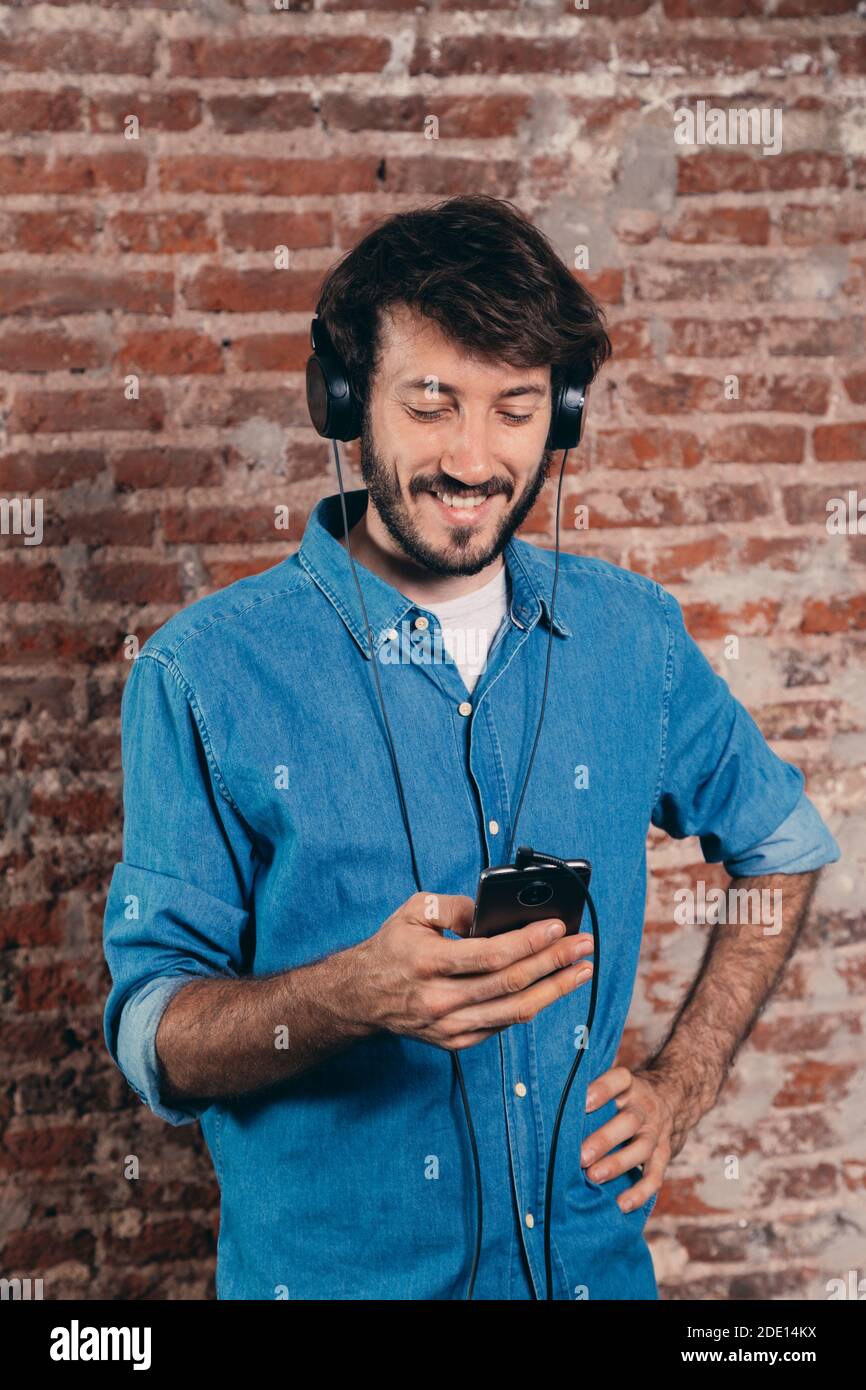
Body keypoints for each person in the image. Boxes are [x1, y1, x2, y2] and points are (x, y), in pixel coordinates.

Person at [102, 195, 840, 1301]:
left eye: (514, 409)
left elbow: (780, 844)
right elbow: (154, 1033)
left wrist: (681, 1082)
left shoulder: (631, 636)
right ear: (345, 402)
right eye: (432, 404)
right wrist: (351, 994)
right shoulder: (202, 672)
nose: (472, 457)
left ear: (564, 418)